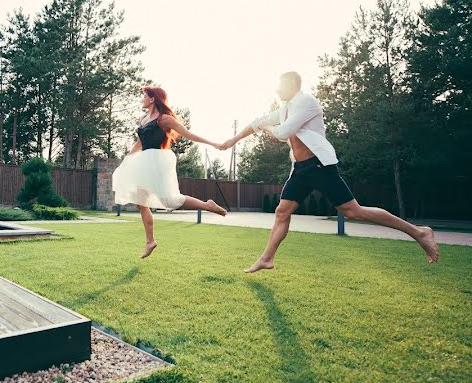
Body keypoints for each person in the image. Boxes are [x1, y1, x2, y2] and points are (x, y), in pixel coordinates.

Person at [222, 71, 440, 272]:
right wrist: (233, 140)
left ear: (292, 84)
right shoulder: (286, 108)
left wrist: (266, 127)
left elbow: (283, 132)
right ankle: (267, 258)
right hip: (300, 170)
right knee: (282, 211)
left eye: (281, 86)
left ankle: (419, 232)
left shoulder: (306, 102)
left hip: (319, 165)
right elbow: (257, 122)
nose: (277, 91)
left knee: (354, 212)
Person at [113, 86, 228, 258]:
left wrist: (213, 143)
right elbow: (139, 144)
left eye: (144, 96)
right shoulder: (144, 119)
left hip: (157, 162)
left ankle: (207, 205)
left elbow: (189, 134)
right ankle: (150, 241)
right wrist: (126, 160)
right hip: (144, 161)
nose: (142, 99)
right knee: (141, 201)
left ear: (152, 99)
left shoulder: (164, 119)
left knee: (169, 201)